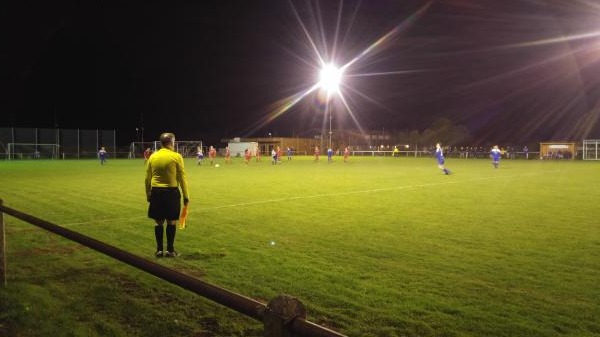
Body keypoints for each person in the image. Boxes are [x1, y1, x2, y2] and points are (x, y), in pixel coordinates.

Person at [145, 132, 190, 258]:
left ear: (160, 143)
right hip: (171, 192)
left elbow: (147, 178)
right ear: (172, 142)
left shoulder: (153, 157)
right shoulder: (176, 156)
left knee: (158, 222)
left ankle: (159, 250)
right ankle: (170, 250)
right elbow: (182, 178)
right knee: (171, 222)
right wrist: (186, 195)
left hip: (156, 192)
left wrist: (148, 193)